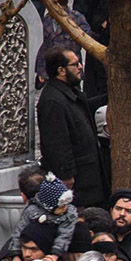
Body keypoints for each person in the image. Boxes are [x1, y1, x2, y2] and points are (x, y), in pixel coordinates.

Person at [36, 48, 107, 207]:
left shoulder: (69, 93)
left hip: (89, 177)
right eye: (75, 64)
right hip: (78, 183)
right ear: (61, 70)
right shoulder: (53, 101)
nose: (80, 67)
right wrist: (66, 175)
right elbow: (56, 144)